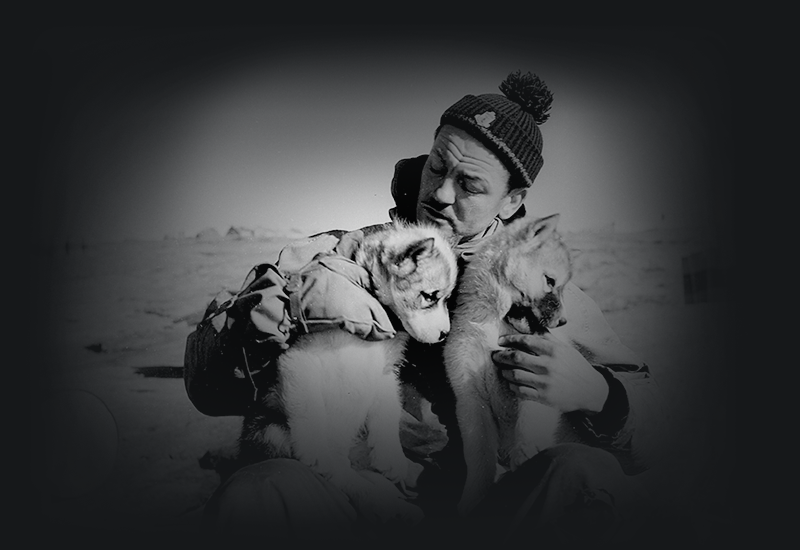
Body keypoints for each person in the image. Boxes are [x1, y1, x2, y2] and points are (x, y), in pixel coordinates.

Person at [184, 71, 666, 547]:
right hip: (355, 504)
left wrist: (600, 396)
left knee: (585, 476)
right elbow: (205, 388)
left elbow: (659, 446)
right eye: (437, 167)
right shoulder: (340, 258)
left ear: (512, 199)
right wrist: (259, 329)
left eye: (470, 185)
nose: (440, 193)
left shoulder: (543, 292)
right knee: (261, 491)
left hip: (495, 513)